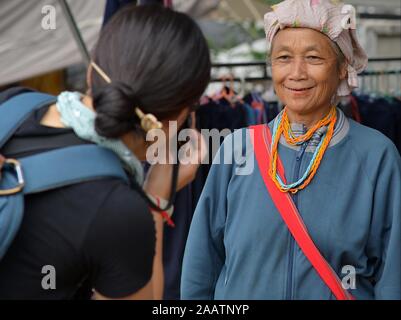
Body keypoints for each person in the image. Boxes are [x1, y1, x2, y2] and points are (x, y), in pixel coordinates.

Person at [181, 0, 401, 300]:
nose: (296, 73)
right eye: (283, 57)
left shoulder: (376, 156)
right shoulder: (237, 148)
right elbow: (202, 260)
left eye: (313, 57)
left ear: (341, 69)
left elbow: (392, 274)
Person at [0, 4, 210, 300]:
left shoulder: (15, 104)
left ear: (91, 71)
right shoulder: (119, 211)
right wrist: (155, 198)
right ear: (177, 118)